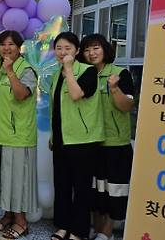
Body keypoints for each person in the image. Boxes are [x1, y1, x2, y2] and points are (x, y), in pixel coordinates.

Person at [0, 31, 38, 239]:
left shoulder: (25, 69)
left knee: (16, 180)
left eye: (10, 44)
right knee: (4, 179)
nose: (6, 48)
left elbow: (21, 95)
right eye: (2, 45)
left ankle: (21, 222)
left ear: (19, 47)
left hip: (17, 137)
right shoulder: (2, 69)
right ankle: (9, 215)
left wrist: (11, 71)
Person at [79, 34, 135, 240]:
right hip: (91, 142)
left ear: (105, 49)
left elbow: (127, 106)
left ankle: (107, 232)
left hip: (115, 144)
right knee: (95, 188)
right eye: (86, 50)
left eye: (95, 48)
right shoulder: (85, 74)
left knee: (114, 190)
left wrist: (114, 88)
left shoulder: (120, 74)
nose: (91, 53)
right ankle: (97, 227)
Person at [49, 31, 103, 240]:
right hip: (62, 139)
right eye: (59, 48)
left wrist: (69, 70)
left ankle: (79, 231)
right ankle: (63, 226)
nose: (63, 52)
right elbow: (56, 109)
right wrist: (54, 136)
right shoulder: (56, 74)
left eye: (68, 48)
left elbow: (76, 94)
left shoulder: (88, 71)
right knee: (61, 185)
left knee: (81, 188)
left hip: (83, 140)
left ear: (77, 51)